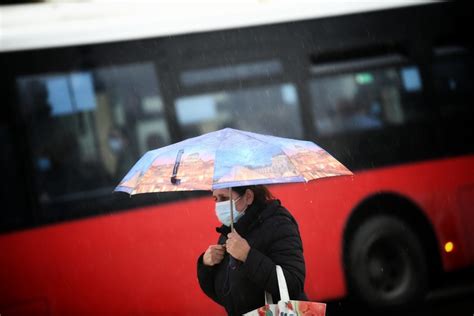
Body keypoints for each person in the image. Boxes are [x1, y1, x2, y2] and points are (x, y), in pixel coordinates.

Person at [197, 185, 308, 315]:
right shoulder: (230, 230)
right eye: (216, 199)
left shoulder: (278, 223)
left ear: (248, 197)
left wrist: (248, 256)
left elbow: (293, 284)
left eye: (225, 197)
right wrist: (206, 266)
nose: (219, 205)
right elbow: (228, 297)